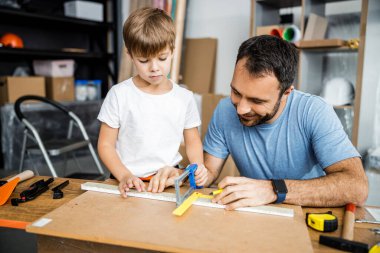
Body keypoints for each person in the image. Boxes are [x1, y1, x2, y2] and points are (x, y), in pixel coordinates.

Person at [203, 35, 368, 210]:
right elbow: (209, 171)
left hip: (307, 217)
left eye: (257, 101)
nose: (241, 109)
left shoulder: (314, 111)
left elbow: (357, 187)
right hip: (256, 216)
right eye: (236, 92)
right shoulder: (224, 109)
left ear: (286, 93)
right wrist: (183, 175)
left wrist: (273, 190)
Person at [97, 7, 208, 197]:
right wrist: (124, 176)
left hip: (167, 181)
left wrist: (198, 167)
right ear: (130, 55)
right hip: (126, 181)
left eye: (162, 58)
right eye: (144, 60)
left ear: (172, 50)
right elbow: (105, 145)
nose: (154, 68)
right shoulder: (119, 95)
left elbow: (193, 142)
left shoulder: (184, 98)